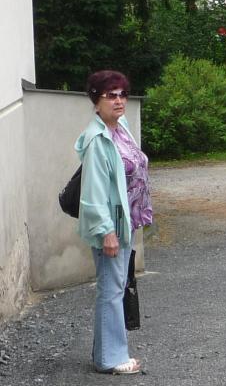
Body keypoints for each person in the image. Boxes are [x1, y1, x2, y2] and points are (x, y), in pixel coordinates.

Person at [76, 70, 152, 375]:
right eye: (111, 95)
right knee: (111, 290)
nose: (119, 100)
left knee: (115, 286)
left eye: (123, 94)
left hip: (126, 223)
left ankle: (104, 352)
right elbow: (93, 194)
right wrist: (106, 232)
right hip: (112, 228)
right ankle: (110, 359)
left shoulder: (120, 128)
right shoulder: (98, 141)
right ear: (96, 101)